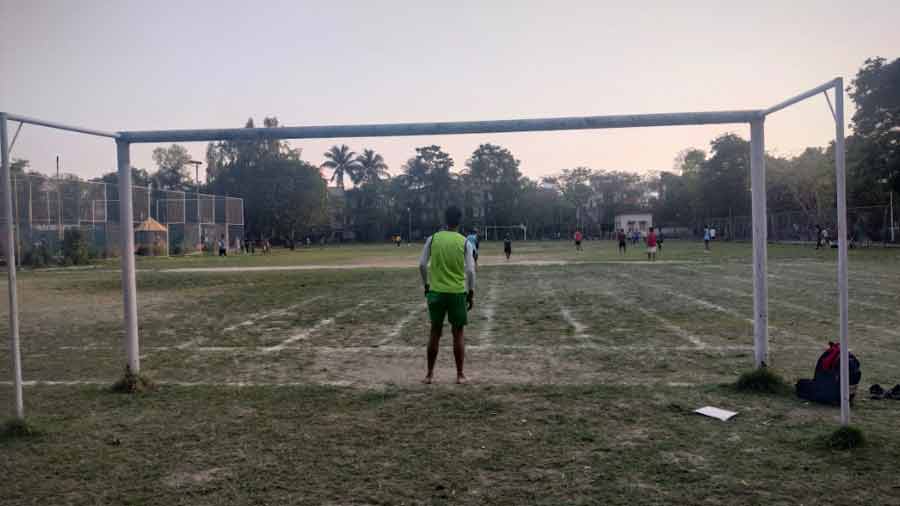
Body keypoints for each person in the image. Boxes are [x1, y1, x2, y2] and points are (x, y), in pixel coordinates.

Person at [419, 206, 476, 384]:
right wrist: (471, 292)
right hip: (457, 293)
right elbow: (471, 271)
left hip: (436, 292)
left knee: (434, 332)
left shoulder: (433, 238)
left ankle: (429, 374)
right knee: (458, 333)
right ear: (459, 221)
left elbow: (421, 264)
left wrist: (426, 285)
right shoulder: (465, 242)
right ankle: (460, 375)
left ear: (445, 219)